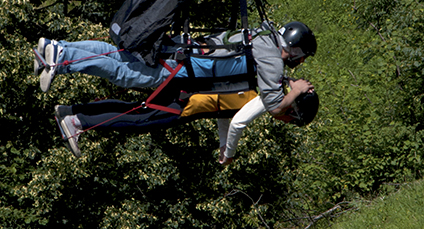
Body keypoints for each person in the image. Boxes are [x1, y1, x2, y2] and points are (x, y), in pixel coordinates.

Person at [34, 20, 317, 117]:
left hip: (185, 47)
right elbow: (274, 106)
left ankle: (59, 47)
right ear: (294, 50)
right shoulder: (272, 59)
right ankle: (62, 61)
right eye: (301, 57)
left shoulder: (262, 34)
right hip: (185, 66)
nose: (298, 62)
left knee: (121, 55)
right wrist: (298, 90)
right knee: (123, 73)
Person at [53, 83, 319, 159]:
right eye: (290, 119)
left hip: (188, 88)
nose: (284, 120)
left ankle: (71, 110)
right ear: (292, 110)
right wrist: (231, 153)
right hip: (187, 103)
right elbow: (239, 122)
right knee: (138, 121)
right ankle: (78, 122)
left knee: (136, 108)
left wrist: (223, 145)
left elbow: (225, 113)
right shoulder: (270, 97)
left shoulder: (267, 80)